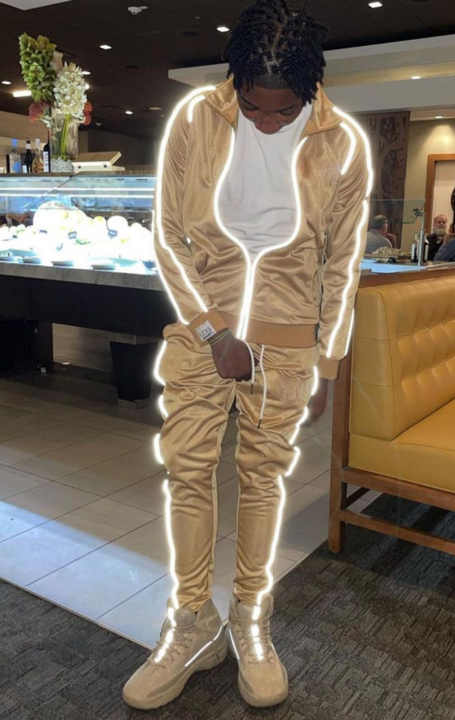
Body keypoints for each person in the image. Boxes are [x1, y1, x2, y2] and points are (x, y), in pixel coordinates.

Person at [123, 0, 371, 710]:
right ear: (234, 82)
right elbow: (168, 235)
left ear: (309, 89)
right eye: (254, 107)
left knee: (263, 481)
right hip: (203, 334)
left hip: (289, 345)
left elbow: (341, 266)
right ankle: (191, 624)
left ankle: (250, 622)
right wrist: (212, 331)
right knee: (187, 472)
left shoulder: (342, 143)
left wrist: (327, 363)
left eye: (283, 110)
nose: (266, 121)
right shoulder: (198, 119)